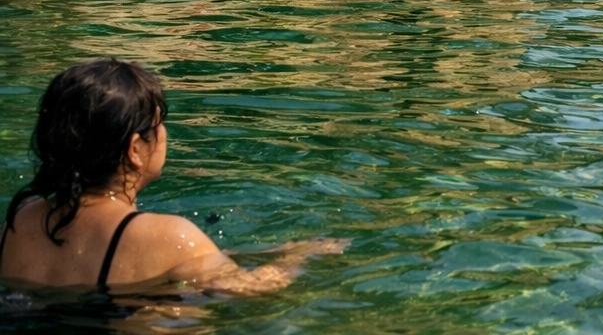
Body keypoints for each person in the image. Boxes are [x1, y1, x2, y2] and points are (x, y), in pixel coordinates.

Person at [0, 59, 345, 294]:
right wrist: (300, 257)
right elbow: (249, 290)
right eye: (158, 124)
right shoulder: (170, 236)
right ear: (135, 149)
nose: (164, 134)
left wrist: (253, 253)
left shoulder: (20, 221)